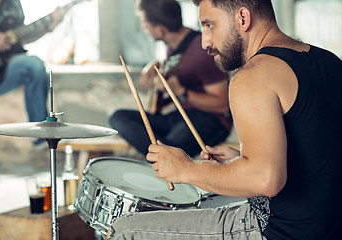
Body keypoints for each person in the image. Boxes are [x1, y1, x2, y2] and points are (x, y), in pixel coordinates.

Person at [107, 0, 342, 239]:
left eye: (209, 25)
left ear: (242, 18)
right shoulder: (330, 62)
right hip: (329, 227)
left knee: (124, 230)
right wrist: (242, 161)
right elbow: (319, 156)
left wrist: (186, 169)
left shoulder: (253, 75)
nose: (204, 41)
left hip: (279, 230)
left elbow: (265, 179)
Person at [109, 0, 232, 159]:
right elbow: (183, 66)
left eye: (145, 24)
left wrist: (181, 91)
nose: (145, 28)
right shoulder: (173, 47)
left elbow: (222, 105)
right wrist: (157, 65)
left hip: (210, 121)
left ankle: (164, 155)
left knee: (167, 152)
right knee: (118, 117)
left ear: (160, 30)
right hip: (180, 117)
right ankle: (164, 152)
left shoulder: (202, 52)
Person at [0, 0, 66, 224]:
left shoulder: (12, 3)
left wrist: (49, 25)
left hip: (1, 68)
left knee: (34, 66)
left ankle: (41, 133)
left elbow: (17, 37)